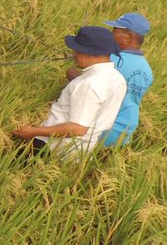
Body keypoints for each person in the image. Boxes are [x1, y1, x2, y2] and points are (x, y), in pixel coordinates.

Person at [12, 26, 127, 157]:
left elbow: (78, 128)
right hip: (81, 151)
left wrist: (33, 131)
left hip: (52, 148)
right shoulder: (118, 79)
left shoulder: (89, 84)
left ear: (94, 53)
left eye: (78, 50)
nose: (74, 53)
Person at [100, 13, 153, 147]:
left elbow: (93, 89)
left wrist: (74, 77)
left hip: (104, 128)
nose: (111, 35)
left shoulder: (111, 60)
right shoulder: (147, 70)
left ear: (130, 36)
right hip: (127, 131)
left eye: (115, 31)